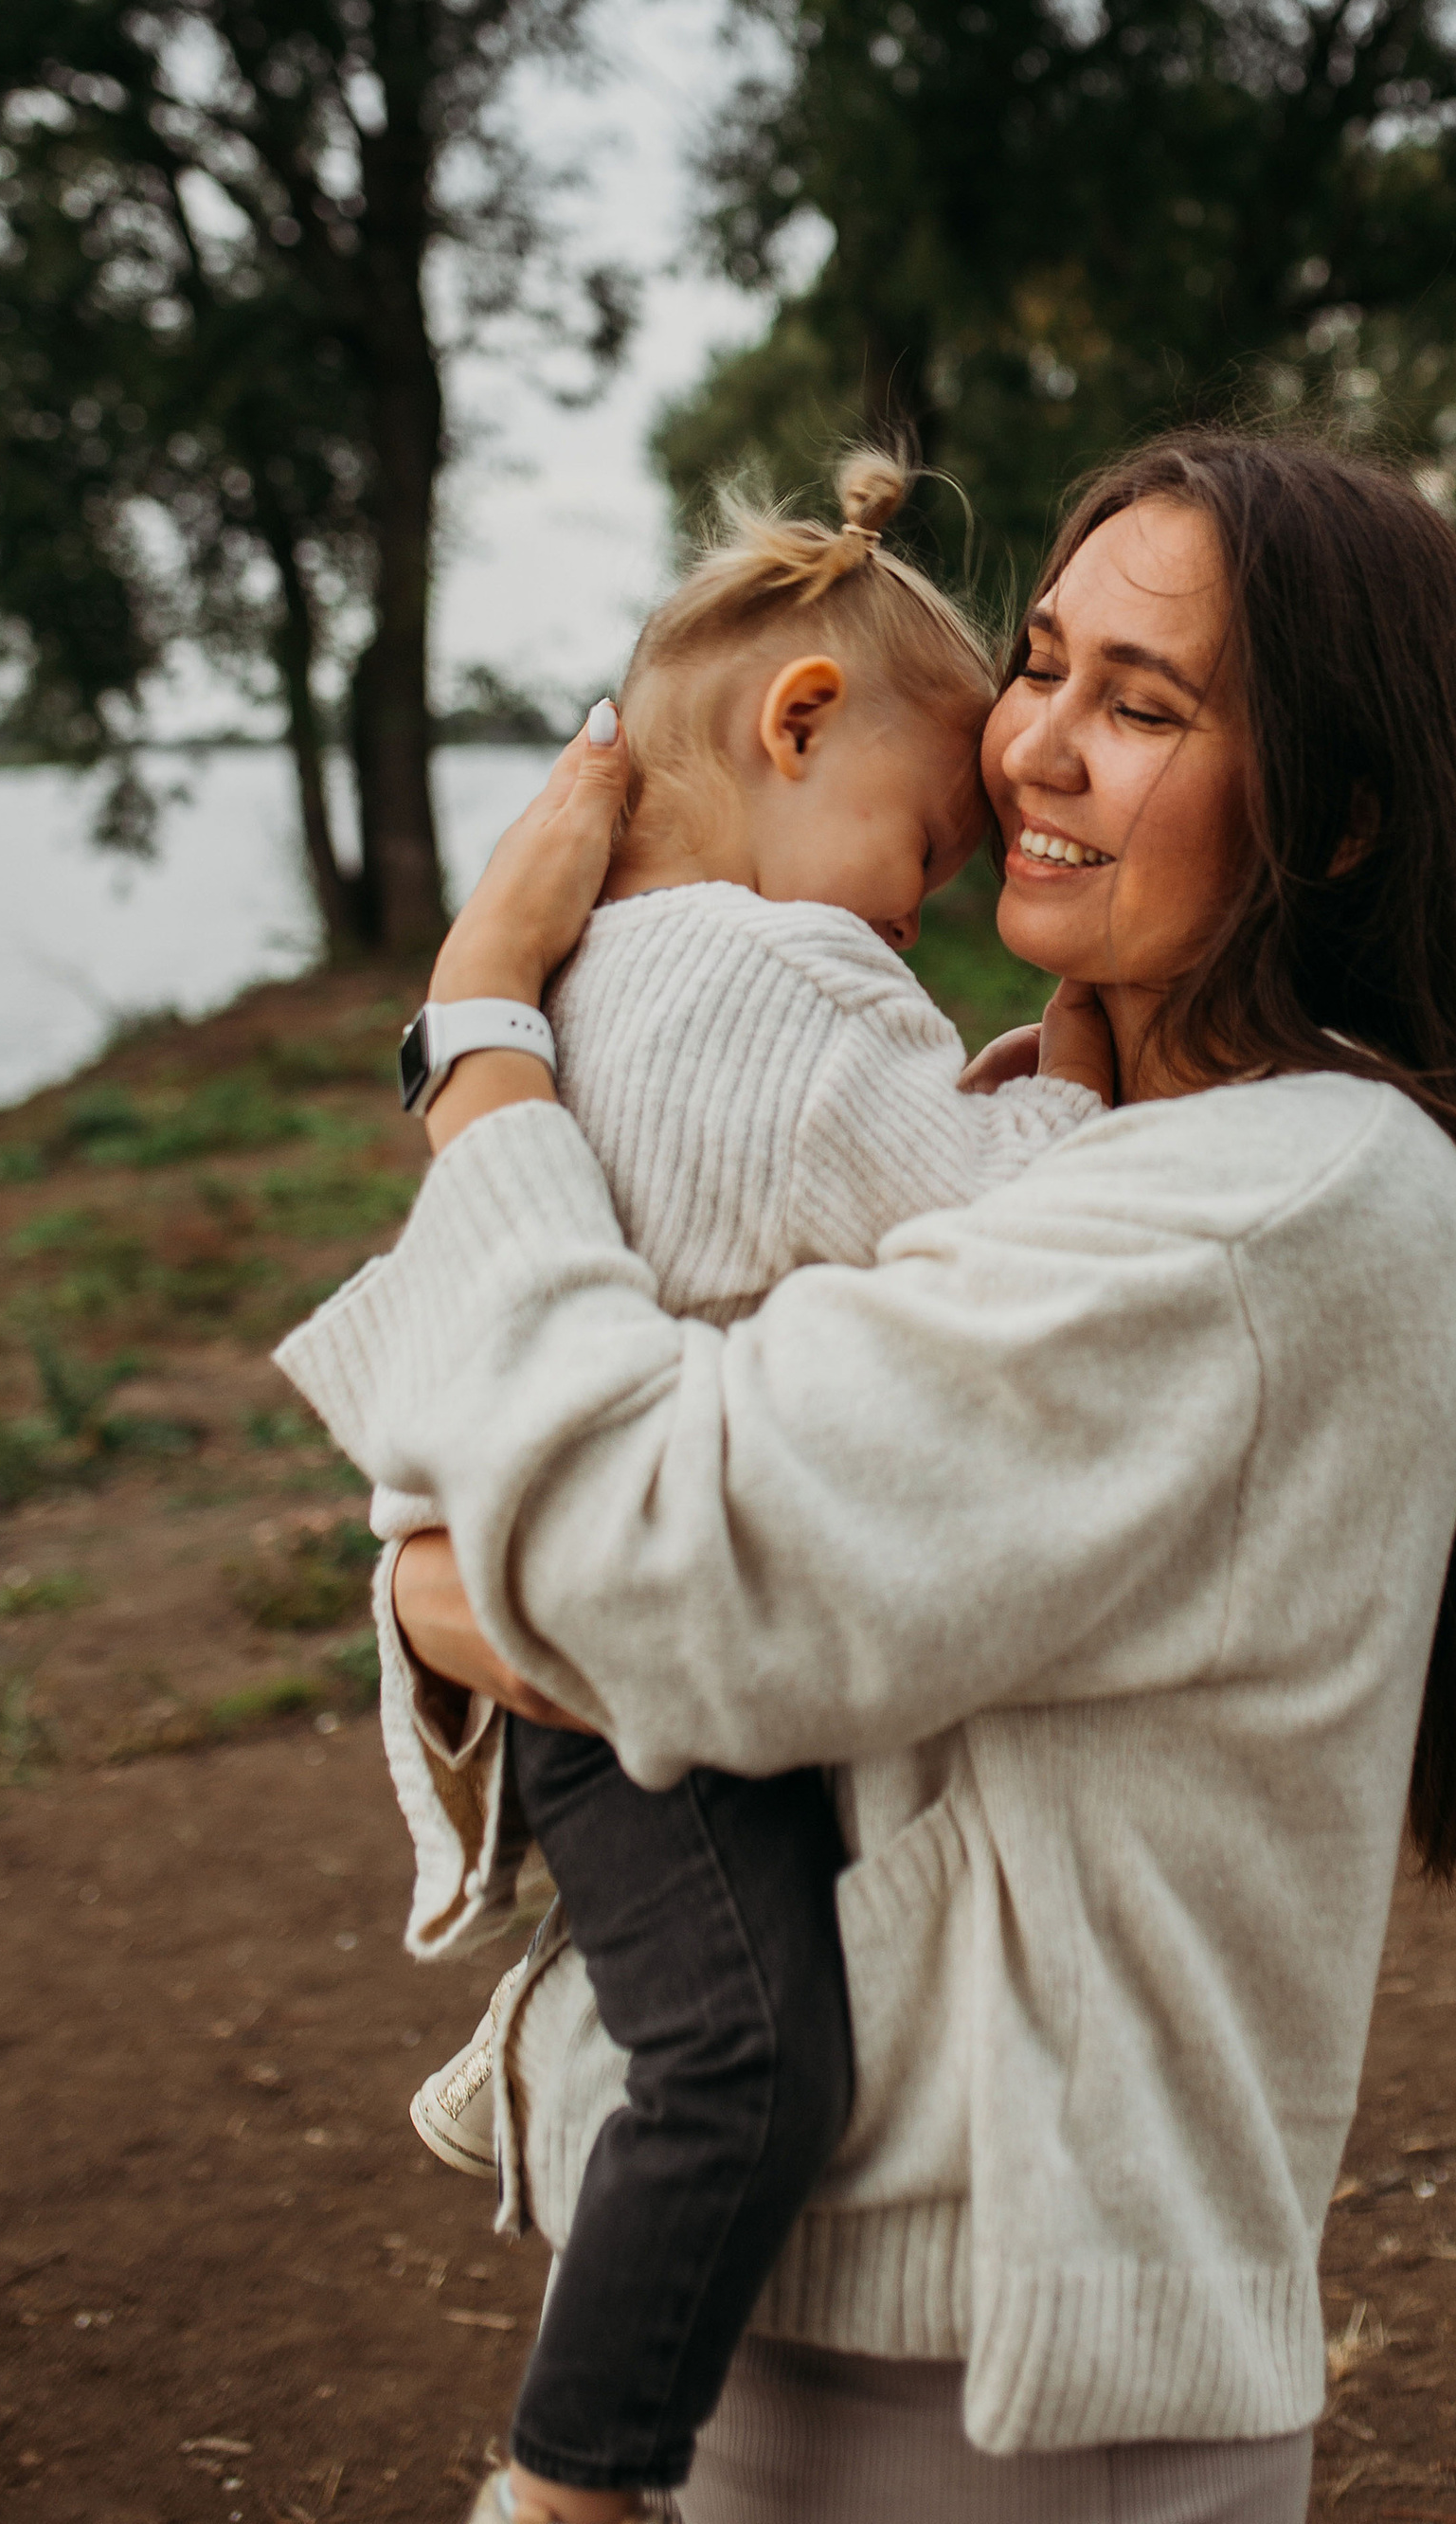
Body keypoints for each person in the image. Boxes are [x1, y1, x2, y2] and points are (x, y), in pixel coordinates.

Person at [278, 428, 1456, 2524]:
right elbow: (589, 1534)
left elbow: (651, 1562)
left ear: (1337, 820)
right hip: (811, 2302)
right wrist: (475, 1573)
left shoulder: (1272, 1213)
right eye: (1039, 665)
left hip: (989, 2400)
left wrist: (482, 1053)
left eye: (1143, 706)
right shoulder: (1029, 1134)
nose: (1031, 753)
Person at [304, 452, 1112, 2523]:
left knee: (726, 1997)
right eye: (922, 855)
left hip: (588, 1607)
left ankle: (556, 2055)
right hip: (635, 1660)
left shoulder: (587, 982)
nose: (920, 914)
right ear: (801, 722)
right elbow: (966, 1198)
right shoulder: (770, 991)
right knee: (749, 2060)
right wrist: (1082, 1070)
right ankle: (572, 2485)